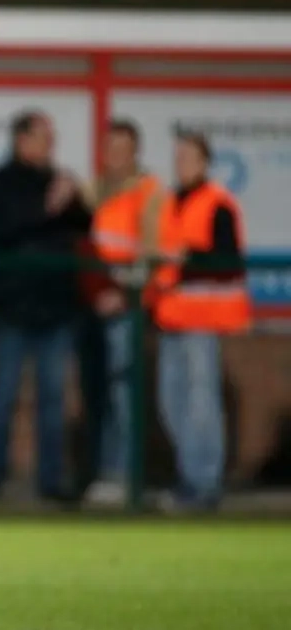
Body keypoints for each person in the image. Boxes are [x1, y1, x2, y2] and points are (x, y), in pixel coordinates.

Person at [0, 111, 88, 502]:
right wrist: (50, 206)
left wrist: (72, 199)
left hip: (57, 309)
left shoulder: (59, 181)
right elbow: (3, 228)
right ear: (21, 139)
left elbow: (86, 225)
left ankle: (51, 482)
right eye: (43, 137)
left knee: (54, 400)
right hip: (13, 309)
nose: (50, 145)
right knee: (3, 397)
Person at [153, 131, 249, 512]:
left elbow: (229, 262)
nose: (182, 164)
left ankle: (202, 483)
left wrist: (187, 257)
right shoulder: (170, 201)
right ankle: (191, 476)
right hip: (172, 316)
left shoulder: (217, 203)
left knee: (200, 404)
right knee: (170, 401)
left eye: (189, 157)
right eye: (178, 157)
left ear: (205, 162)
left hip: (203, 317)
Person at [83, 120, 177, 506]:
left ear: (135, 152)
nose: (115, 156)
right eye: (110, 148)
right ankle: (107, 473)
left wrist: (127, 296)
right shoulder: (93, 190)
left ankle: (125, 477)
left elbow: (155, 255)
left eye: (122, 149)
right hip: (94, 306)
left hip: (128, 308)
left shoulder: (150, 192)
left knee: (125, 395)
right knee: (102, 393)